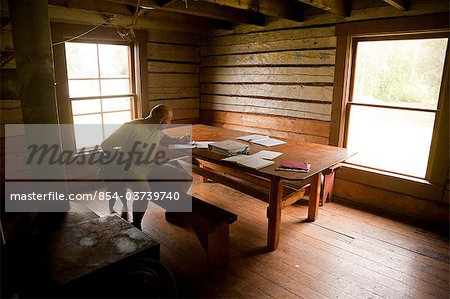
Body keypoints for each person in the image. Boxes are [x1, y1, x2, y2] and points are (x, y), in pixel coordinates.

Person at [100, 104, 192, 230]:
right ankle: (136, 223)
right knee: (144, 192)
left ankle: (172, 210)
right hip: (132, 168)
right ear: (161, 120)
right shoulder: (131, 127)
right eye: (169, 120)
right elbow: (106, 145)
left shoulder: (157, 128)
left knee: (185, 178)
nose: (169, 124)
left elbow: (163, 137)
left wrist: (178, 140)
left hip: (152, 165)